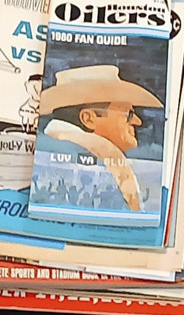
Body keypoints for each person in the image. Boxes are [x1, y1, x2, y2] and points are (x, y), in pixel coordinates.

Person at [36, 65, 163, 211]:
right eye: (128, 114)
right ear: (88, 119)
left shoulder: (48, 141)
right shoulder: (104, 152)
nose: (137, 121)